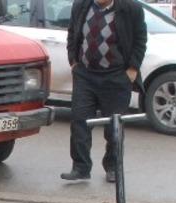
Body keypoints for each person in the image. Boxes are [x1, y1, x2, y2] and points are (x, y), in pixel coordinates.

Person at [61, 0, 148, 183]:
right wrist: (74, 62)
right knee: (80, 122)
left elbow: (140, 40)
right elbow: (72, 34)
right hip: (85, 75)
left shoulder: (131, 8)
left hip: (116, 77)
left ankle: (113, 167)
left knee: (114, 127)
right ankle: (81, 167)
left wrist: (132, 69)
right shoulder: (81, 5)